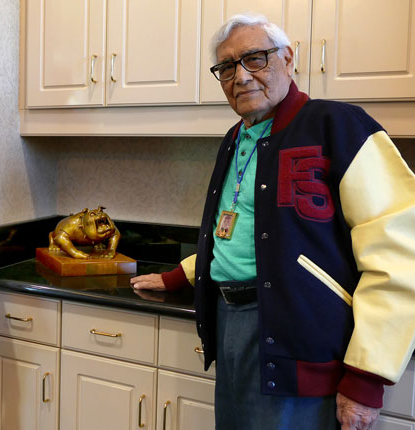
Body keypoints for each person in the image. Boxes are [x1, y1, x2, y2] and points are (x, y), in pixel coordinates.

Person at [131, 12, 415, 430]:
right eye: (226, 67)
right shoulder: (236, 138)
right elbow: (247, 233)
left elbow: (399, 252)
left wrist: (367, 377)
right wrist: (181, 275)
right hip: (230, 325)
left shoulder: (338, 126)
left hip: (300, 337)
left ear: (288, 58)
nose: (241, 76)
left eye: (255, 58)